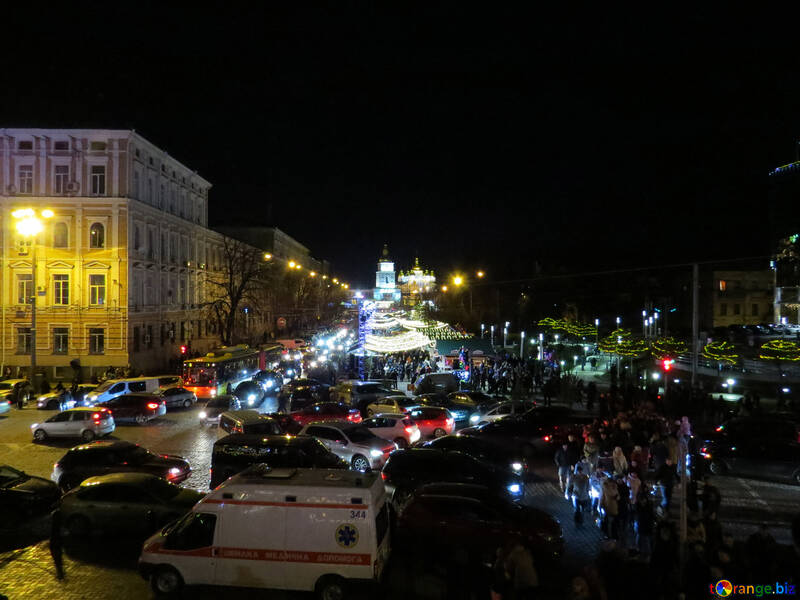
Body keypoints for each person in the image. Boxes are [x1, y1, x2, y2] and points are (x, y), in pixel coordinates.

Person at [50, 508, 64, 580]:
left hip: (55, 543)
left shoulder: (54, 527)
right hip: (57, 543)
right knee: (58, 560)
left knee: (57, 559)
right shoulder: (58, 527)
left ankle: (59, 570)